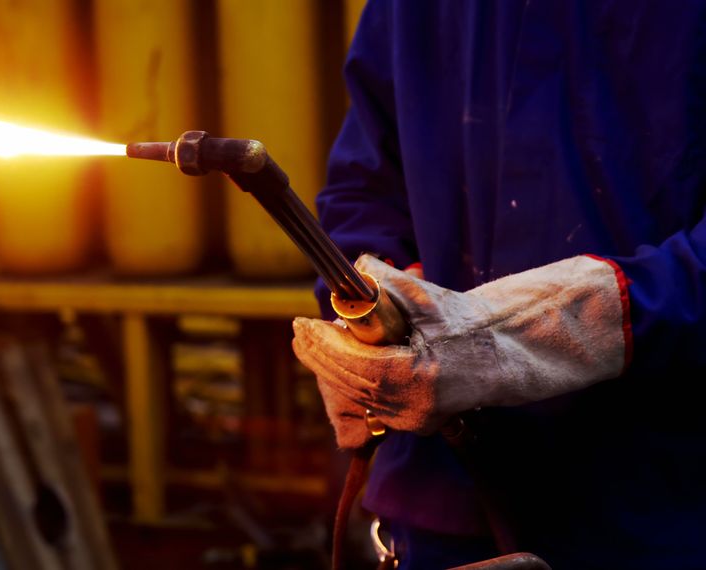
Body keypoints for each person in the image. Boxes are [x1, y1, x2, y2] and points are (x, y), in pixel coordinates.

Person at [290, 1, 706, 569]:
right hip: (444, 505)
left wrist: (576, 321)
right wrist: (382, 307)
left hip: (659, 506)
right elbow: (365, 192)